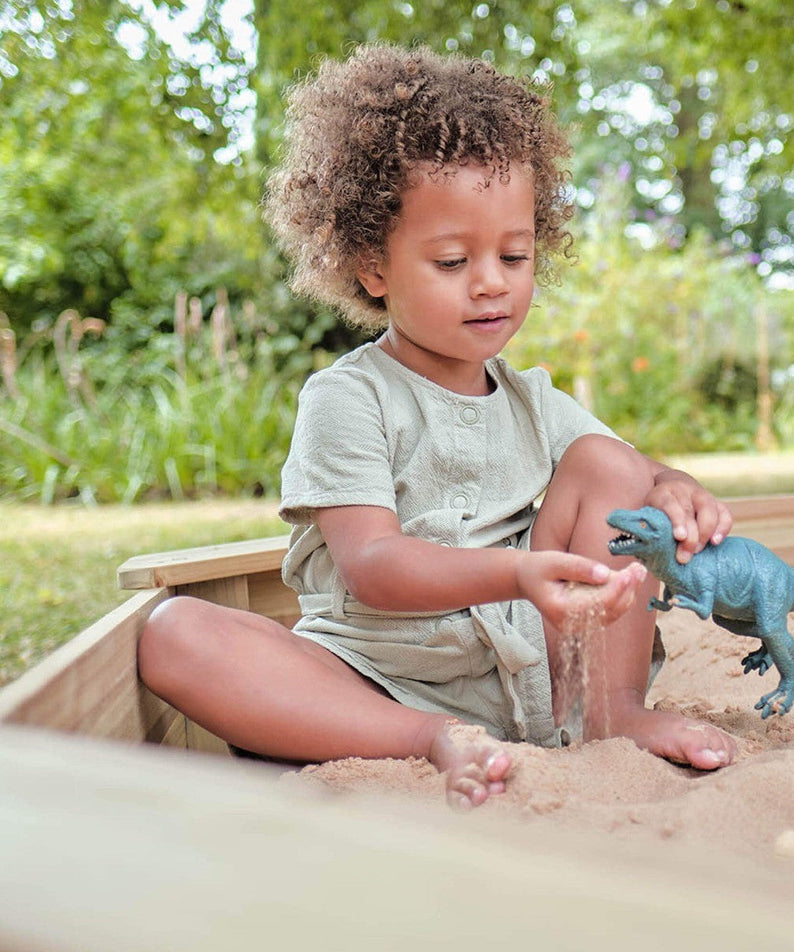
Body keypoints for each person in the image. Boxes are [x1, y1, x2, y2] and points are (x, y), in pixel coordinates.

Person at [137, 43, 737, 809]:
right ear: (372, 266)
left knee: (611, 465)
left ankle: (609, 711)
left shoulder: (532, 400)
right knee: (175, 633)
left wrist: (679, 488)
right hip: (374, 681)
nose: (490, 283)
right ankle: (426, 735)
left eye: (514, 256)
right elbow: (374, 566)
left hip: (535, 680)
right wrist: (514, 575)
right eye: (453, 261)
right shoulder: (348, 398)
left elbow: (639, 477)